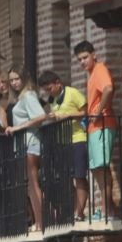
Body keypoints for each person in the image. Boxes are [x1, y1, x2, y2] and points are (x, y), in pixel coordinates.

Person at [75, 41, 121, 222]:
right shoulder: (91, 74)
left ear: (94, 54)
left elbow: (109, 89)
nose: (82, 62)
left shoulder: (100, 68)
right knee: (97, 169)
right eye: (79, 59)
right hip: (94, 127)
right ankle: (106, 208)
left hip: (102, 125)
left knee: (101, 168)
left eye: (85, 57)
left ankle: (106, 210)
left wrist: (99, 110)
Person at [39, 69, 90, 223]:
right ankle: (73, 211)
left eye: (50, 89)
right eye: (46, 90)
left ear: (58, 83)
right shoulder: (52, 100)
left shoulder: (72, 93)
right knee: (67, 179)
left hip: (78, 139)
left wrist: (67, 116)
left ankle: (80, 212)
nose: (49, 93)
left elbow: (86, 111)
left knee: (80, 176)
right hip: (63, 142)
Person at [1, 69, 48, 230]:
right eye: (11, 80)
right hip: (23, 144)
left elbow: (41, 116)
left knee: (33, 184)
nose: (14, 83)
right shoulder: (20, 97)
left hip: (31, 143)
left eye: (16, 79)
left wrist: (18, 127)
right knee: (29, 185)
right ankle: (38, 221)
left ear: (24, 78)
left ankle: (41, 223)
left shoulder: (28, 95)